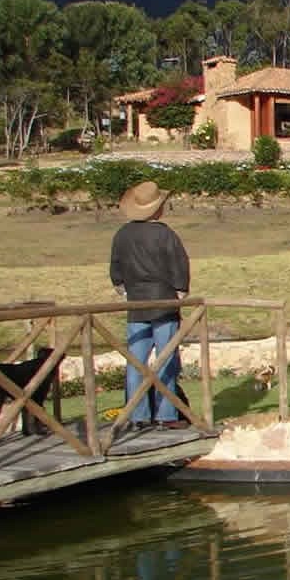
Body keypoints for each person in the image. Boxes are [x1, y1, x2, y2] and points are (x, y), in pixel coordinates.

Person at [110, 180, 191, 430]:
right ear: (158, 209)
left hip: (136, 304)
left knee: (136, 362)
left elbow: (116, 271)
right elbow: (179, 266)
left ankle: (137, 415)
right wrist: (180, 292)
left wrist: (126, 291)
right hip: (164, 303)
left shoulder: (122, 235)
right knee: (165, 359)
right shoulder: (165, 234)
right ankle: (166, 415)